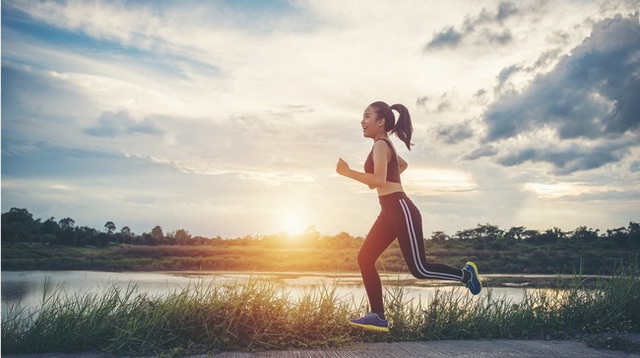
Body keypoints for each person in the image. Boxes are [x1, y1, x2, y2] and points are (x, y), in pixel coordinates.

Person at [336, 101, 481, 333]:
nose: (362, 121)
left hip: (401, 209)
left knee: (420, 269)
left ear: (380, 121)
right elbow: (401, 165)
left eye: (367, 116)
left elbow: (379, 181)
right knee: (365, 258)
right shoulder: (383, 146)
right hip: (388, 212)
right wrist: (384, 178)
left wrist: (348, 173)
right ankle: (378, 316)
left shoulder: (381, 145)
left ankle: (466, 274)